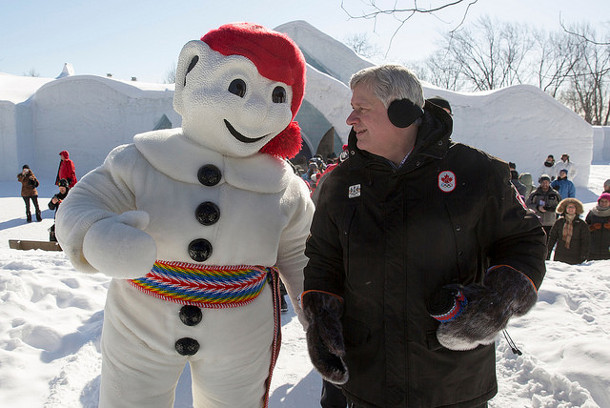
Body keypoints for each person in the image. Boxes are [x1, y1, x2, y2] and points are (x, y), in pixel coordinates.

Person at [302, 64, 546, 408]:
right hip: (369, 381)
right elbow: (323, 257)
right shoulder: (340, 184)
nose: (351, 120)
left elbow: (524, 241)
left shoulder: (477, 171)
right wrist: (322, 316)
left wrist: (496, 301)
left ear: (402, 112)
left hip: (453, 384)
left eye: (362, 109)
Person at [547, 198, 589, 265]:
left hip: (576, 255)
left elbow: (585, 241)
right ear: (565, 208)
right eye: (568, 207)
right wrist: (548, 252)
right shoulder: (559, 222)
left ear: (576, 209)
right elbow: (552, 238)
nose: (570, 209)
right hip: (560, 255)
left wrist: (583, 255)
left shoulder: (582, 224)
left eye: (573, 207)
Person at [526, 174, 562, 240]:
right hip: (538, 223)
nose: (545, 184)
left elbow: (561, 206)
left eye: (547, 182)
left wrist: (553, 209)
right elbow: (528, 205)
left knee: (549, 242)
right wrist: (537, 208)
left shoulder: (555, 194)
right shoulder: (534, 194)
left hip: (551, 223)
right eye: (543, 182)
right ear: (540, 183)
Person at [585, 192, 610, 260]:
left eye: (606, 201)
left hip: (608, 248)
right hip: (593, 248)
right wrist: (592, 227)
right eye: (602, 201)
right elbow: (584, 227)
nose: (603, 203)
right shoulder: (592, 212)